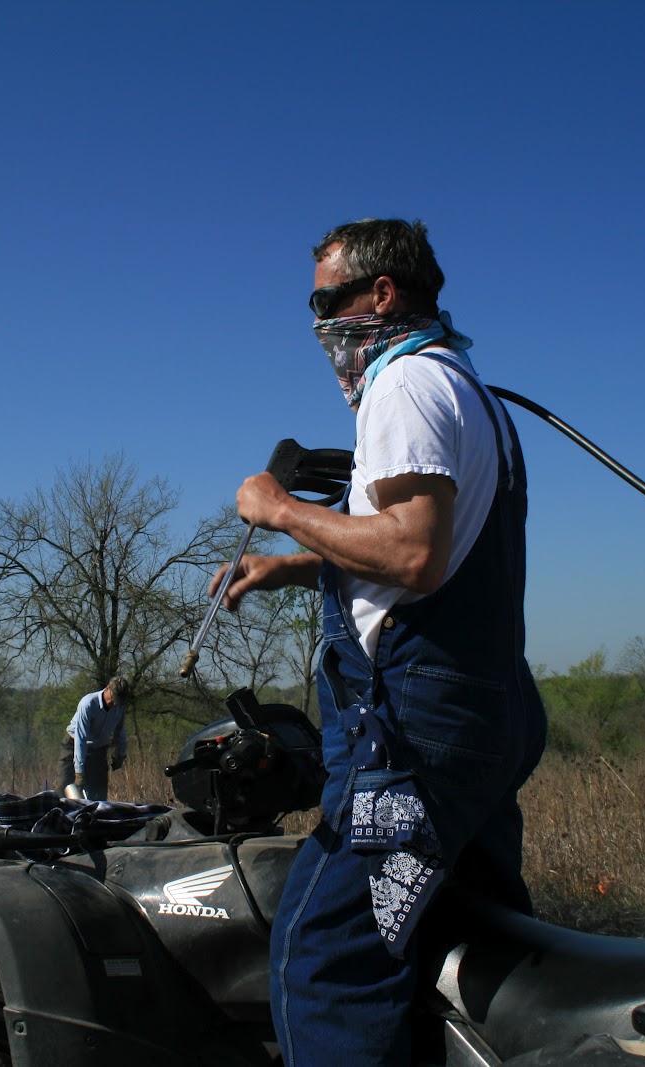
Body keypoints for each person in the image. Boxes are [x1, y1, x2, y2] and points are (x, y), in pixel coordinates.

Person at [210, 219, 547, 1066]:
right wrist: (289, 567)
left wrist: (279, 508)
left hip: (411, 741)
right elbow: (422, 558)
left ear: (380, 295)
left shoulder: (403, 387)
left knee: (321, 960)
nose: (318, 322)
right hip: (480, 724)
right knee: (468, 939)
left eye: (326, 301)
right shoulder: (467, 390)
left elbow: (411, 551)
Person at [60, 676, 130, 801]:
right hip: (74, 745)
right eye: (114, 700)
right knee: (66, 787)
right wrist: (79, 772)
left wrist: (120, 753)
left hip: (99, 749)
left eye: (118, 701)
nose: (115, 704)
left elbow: (120, 730)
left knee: (99, 794)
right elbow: (81, 739)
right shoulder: (88, 704)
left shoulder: (120, 706)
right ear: (108, 688)